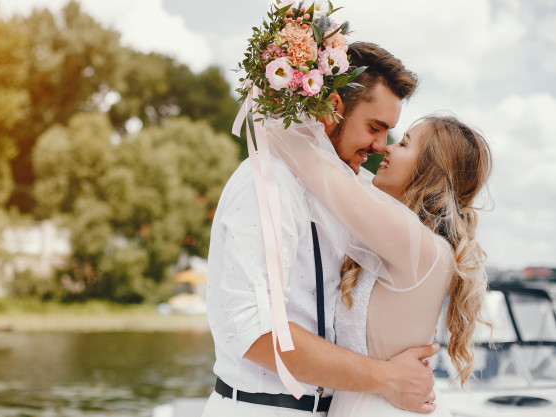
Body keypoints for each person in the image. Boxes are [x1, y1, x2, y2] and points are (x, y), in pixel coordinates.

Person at [202, 42, 440, 417]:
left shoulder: (345, 193)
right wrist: (385, 378)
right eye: (375, 128)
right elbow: (255, 331)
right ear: (331, 108)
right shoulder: (267, 181)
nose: (380, 146)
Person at [266, 114, 492, 416]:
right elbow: (344, 175)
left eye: (404, 144)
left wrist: (278, 100)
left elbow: (315, 166)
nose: (387, 148)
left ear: (428, 169)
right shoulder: (408, 241)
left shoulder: (419, 245)